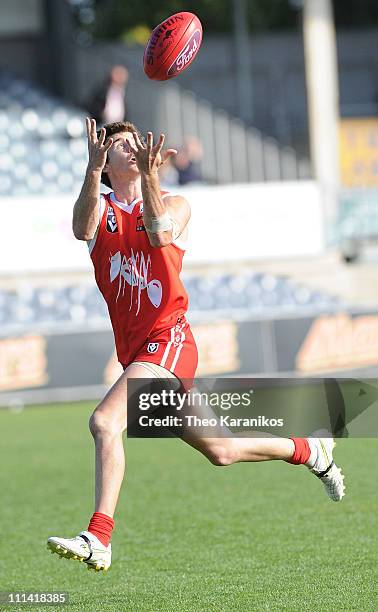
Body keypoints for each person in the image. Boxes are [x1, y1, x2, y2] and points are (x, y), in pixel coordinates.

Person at [46, 118, 345, 573]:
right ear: (105, 163)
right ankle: (308, 451)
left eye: (130, 141)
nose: (127, 147)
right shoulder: (99, 208)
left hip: (168, 341)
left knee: (105, 422)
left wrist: (149, 178)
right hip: (139, 353)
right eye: (116, 146)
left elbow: (160, 233)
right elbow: (80, 229)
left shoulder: (176, 202)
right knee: (222, 451)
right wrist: (90, 171)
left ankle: (99, 537)